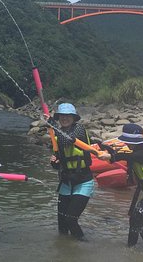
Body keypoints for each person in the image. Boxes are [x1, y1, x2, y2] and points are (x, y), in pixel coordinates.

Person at [98, 123, 143, 252]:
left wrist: (111, 156)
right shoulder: (137, 151)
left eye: (128, 142)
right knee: (134, 220)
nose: (127, 144)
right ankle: (131, 249)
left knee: (139, 223)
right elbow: (123, 155)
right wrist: (104, 148)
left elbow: (129, 156)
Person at [49, 102, 97, 241]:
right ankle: (65, 252)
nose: (64, 118)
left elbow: (68, 140)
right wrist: (54, 161)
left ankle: (83, 245)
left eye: (68, 116)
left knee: (71, 219)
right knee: (62, 225)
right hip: (66, 182)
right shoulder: (58, 135)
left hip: (83, 182)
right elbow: (58, 165)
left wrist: (51, 125)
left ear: (74, 117)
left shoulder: (79, 130)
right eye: (61, 116)